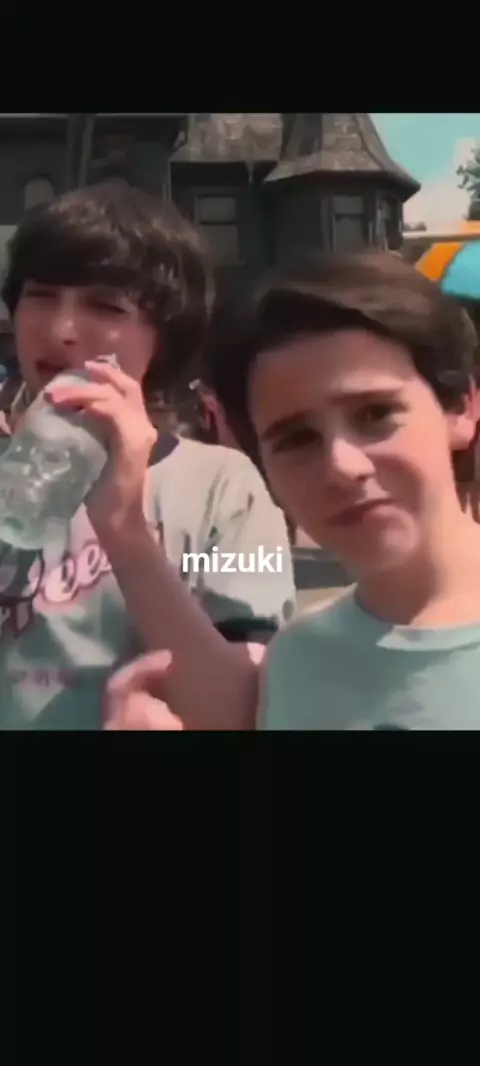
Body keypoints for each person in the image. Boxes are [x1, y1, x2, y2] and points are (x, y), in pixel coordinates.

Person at [104, 251, 480, 730]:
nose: (342, 466)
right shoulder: (298, 662)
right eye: (297, 439)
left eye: (375, 414)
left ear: (460, 407)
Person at [0, 182, 294, 730]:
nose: (61, 330)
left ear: (164, 338)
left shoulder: (222, 487)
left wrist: (124, 529)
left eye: (105, 306)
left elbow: (242, 705)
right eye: (40, 296)